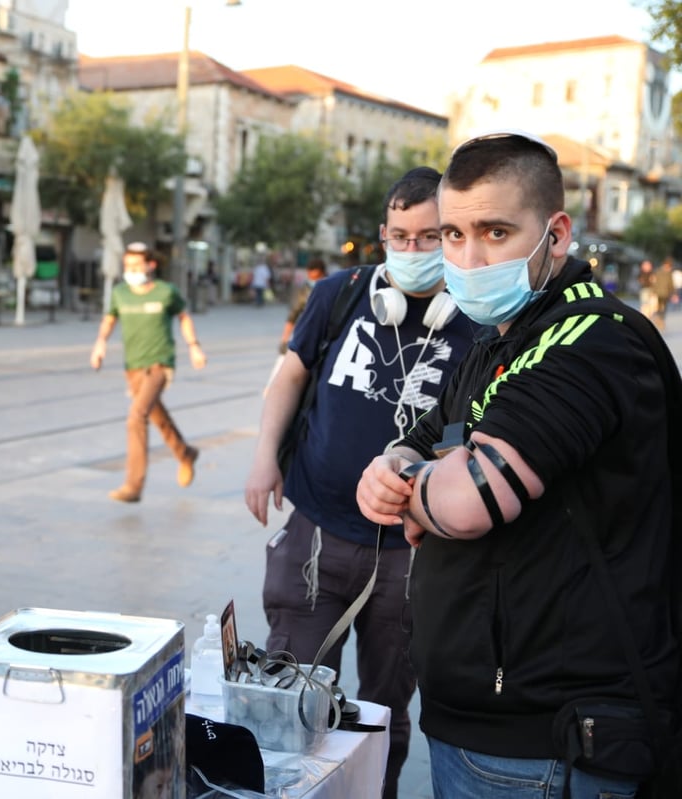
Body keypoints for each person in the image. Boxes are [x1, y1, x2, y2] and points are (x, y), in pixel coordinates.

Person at [357, 130, 680, 798]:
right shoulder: (491, 344)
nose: (468, 258)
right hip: (478, 725)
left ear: (555, 235)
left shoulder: (592, 342)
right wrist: (393, 470)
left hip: (550, 744)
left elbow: (472, 497)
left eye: (496, 232)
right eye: (452, 234)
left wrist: (419, 493)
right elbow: (419, 439)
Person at [244, 166, 476, 799]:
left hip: (411, 553)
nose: (413, 250)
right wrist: (266, 455)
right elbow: (291, 376)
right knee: (287, 698)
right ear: (382, 234)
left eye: (431, 237)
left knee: (384, 713)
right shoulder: (339, 293)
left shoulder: (479, 321)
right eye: (400, 236)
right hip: (316, 536)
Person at [90, 242, 205, 502]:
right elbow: (110, 319)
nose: (130, 270)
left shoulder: (167, 292)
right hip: (133, 367)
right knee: (156, 416)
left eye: (135, 265)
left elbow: (184, 317)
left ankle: (133, 485)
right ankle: (185, 454)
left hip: (160, 364)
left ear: (150, 265)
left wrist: (194, 347)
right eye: (127, 265)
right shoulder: (120, 293)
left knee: (136, 417)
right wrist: (100, 344)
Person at [279, 257, 328, 352]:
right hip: (308, 335)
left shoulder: (334, 289)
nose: (313, 280)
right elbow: (293, 316)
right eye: (311, 277)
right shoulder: (303, 291)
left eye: (316, 277)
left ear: (323, 273)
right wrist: (284, 340)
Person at [653, 258, 675, 330]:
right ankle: (659, 319)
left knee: (664, 307)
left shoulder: (668, 273)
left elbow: (671, 283)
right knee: (659, 306)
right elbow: (655, 282)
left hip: (665, 293)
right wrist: (653, 291)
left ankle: (661, 319)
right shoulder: (659, 272)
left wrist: (673, 293)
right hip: (660, 292)